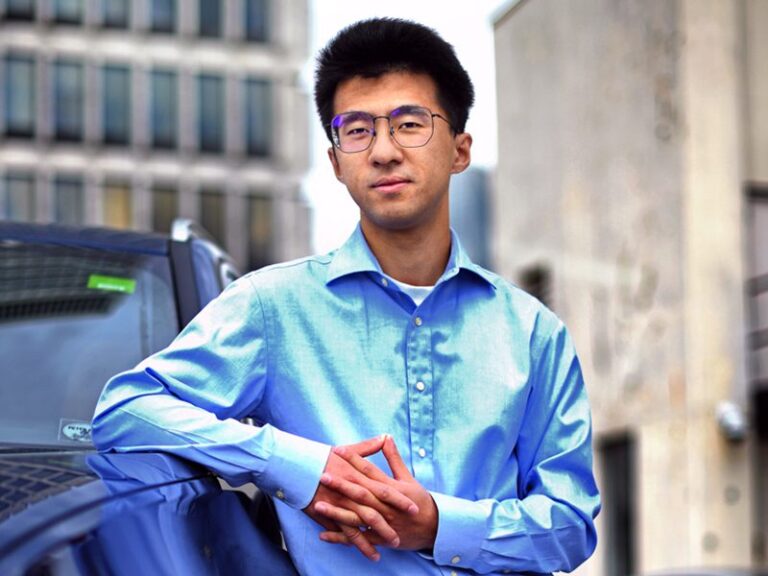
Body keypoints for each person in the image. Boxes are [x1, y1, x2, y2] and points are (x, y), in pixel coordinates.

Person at [92, 17, 600, 576]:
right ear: (336, 162)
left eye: (409, 124)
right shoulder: (273, 307)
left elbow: (572, 524)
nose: (383, 151)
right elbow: (125, 411)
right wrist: (294, 467)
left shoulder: (533, 332)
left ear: (460, 150)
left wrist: (440, 527)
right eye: (357, 130)